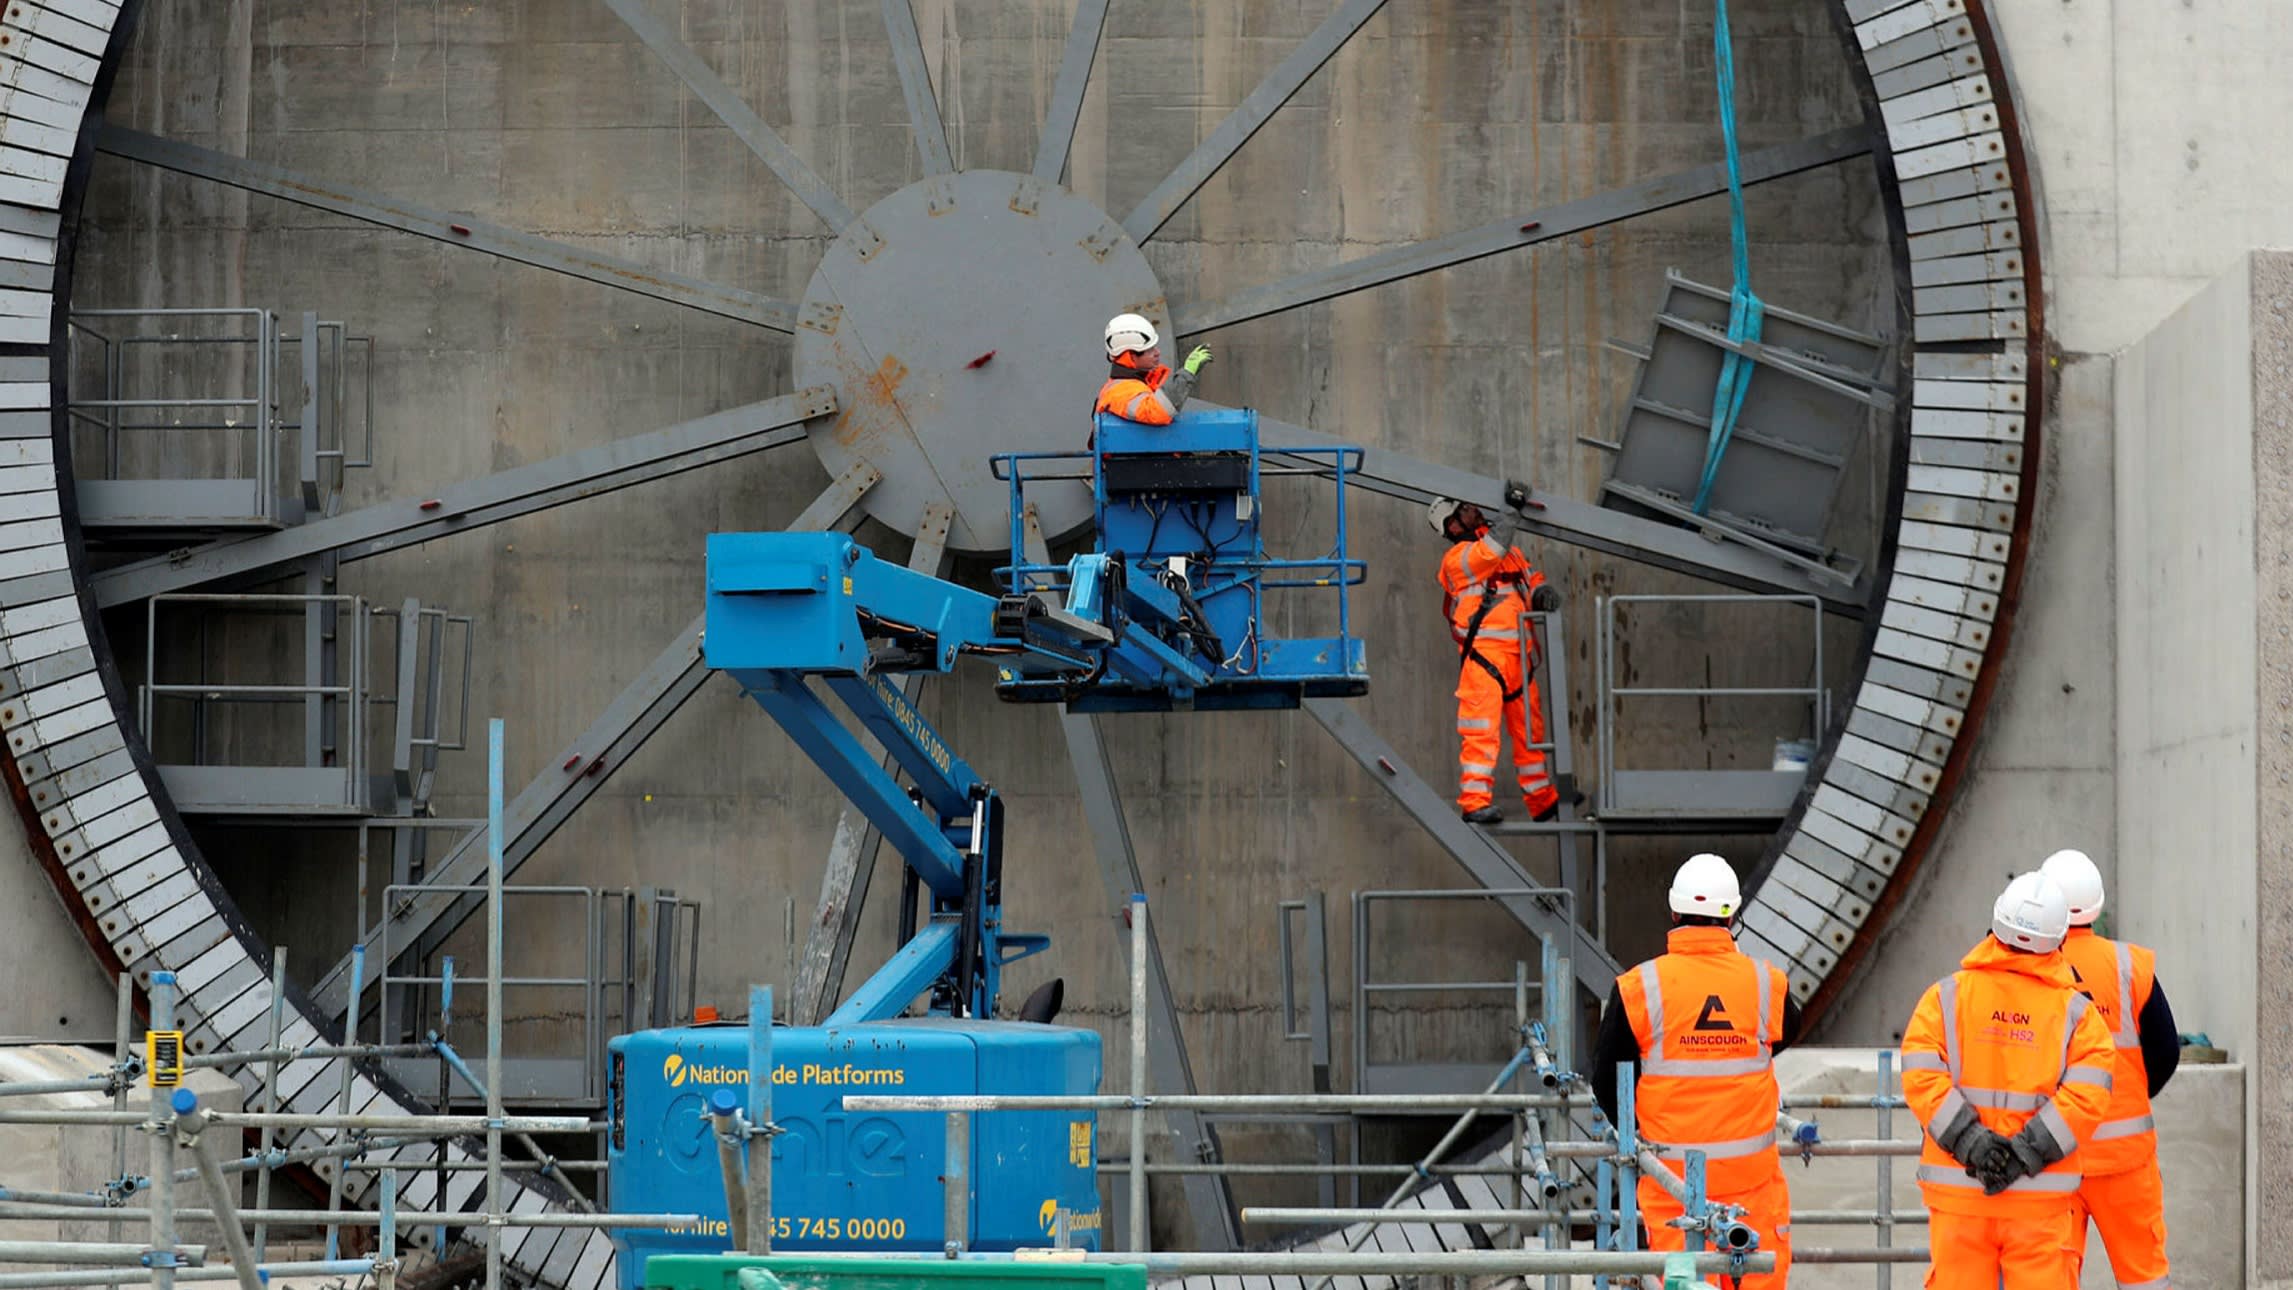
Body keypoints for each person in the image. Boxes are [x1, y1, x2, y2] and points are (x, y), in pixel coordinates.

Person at [1592, 854, 1801, 1288]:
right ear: (1734, 914)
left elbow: (1606, 1081)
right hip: (1754, 1193)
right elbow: (1784, 1033)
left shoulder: (1638, 988)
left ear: (1673, 910)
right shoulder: (1765, 983)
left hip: (1674, 1195)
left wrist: (1640, 1138)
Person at [1901, 871, 2116, 1290]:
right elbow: (2088, 1097)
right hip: (2039, 1202)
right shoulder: (2078, 1015)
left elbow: (1921, 1077)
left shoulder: (1945, 998)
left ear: (1996, 924)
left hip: (1960, 1197)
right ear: (2059, 940)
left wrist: (1973, 1145)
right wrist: (2023, 1153)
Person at [2039, 848, 2180, 1290]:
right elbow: (2166, 1052)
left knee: (2049, 1277)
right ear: (2097, 907)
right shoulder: (2131, 965)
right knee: (2144, 1277)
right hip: (2126, 1160)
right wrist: (2131, 1094)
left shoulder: (2029, 971)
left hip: (2052, 1157)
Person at [1428, 490, 1562, 823]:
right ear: (1453, 524)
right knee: (1481, 735)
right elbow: (1492, 551)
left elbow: (1529, 579)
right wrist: (1511, 508)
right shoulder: (1457, 559)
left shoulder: (1509, 553)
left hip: (1519, 659)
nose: (1475, 509)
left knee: (1530, 734)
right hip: (1484, 662)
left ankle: (1541, 799)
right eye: (1466, 508)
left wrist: (1541, 593)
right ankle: (1474, 803)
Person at [1097, 313, 1211, 427]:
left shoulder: (1130, 384)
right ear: (1130, 356)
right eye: (1150, 349)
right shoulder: (1119, 392)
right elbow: (1156, 412)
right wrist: (1187, 374)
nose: (1157, 352)